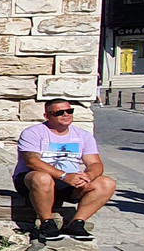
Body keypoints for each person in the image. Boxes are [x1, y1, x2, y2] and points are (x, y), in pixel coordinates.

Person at [14, 101, 118, 241]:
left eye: (69, 111)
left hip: (67, 183)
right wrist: (63, 176)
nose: (65, 115)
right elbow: (32, 161)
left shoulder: (83, 135)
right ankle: (46, 223)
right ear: (47, 116)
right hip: (33, 181)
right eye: (58, 112)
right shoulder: (33, 133)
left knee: (107, 183)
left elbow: (95, 163)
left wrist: (88, 175)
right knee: (43, 178)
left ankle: (76, 223)